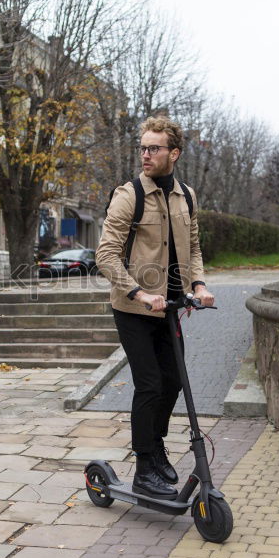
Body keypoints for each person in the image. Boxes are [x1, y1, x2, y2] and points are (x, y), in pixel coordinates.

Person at [96, 116, 215, 500]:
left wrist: (197, 284)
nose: (146, 155)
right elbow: (106, 255)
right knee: (149, 384)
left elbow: (192, 248)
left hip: (169, 306)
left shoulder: (187, 196)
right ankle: (145, 466)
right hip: (133, 307)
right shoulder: (129, 194)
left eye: (154, 148)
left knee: (174, 380)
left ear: (174, 154)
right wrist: (138, 293)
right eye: (143, 148)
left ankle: (156, 446)